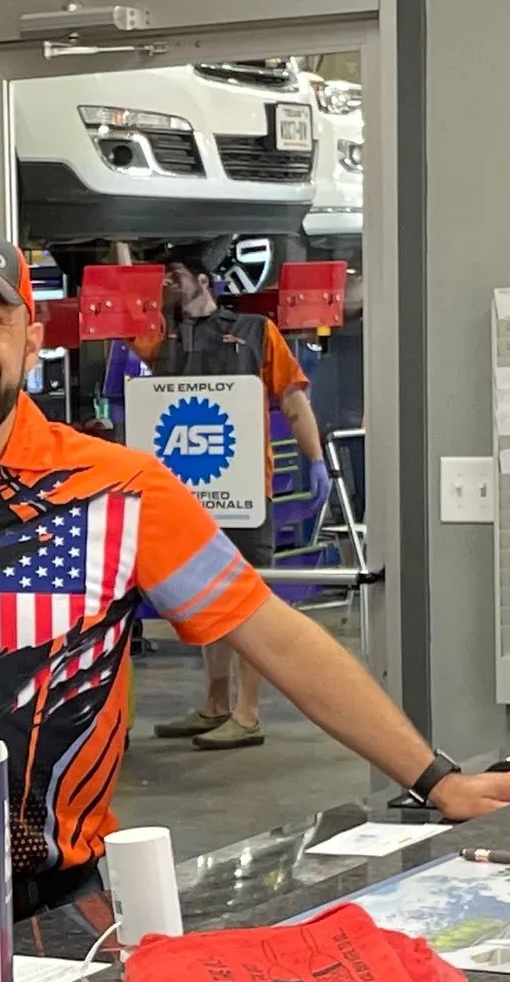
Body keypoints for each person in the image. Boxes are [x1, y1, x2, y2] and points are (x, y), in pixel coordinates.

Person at [0, 219, 510, 918]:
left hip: (70, 907)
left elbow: (273, 635)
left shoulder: (120, 490)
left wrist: (436, 779)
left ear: (31, 341)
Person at [146, 243, 332, 751]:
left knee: (251, 602)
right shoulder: (159, 336)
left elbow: (292, 398)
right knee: (204, 600)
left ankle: (248, 714)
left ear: (204, 280)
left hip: (245, 492)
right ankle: (215, 704)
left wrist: (316, 459)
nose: (165, 284)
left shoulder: (256, 332)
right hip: (186, 496)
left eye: (174, 275)